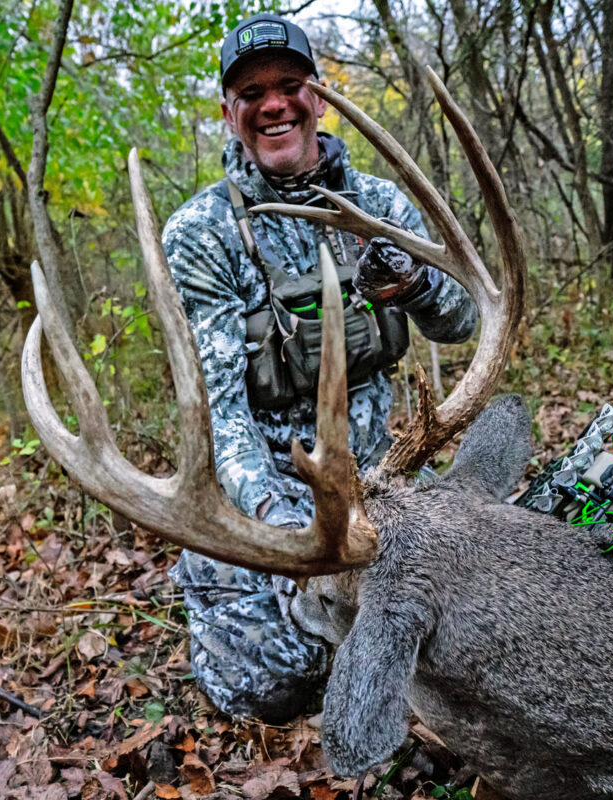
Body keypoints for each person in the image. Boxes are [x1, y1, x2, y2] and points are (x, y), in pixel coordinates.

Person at [161, 13, 476, 723]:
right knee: (274, 684)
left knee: (469, 635)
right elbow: (219, 414)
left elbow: (459, 325)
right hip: (271, 499)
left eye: (289, 85)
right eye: (251, 93)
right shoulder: (202, 233)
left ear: (319, 97)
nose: (274, 104)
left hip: (388, 481)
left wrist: (415, 286)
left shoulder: (382, 205)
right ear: (229, 112)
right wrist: (287, 529)